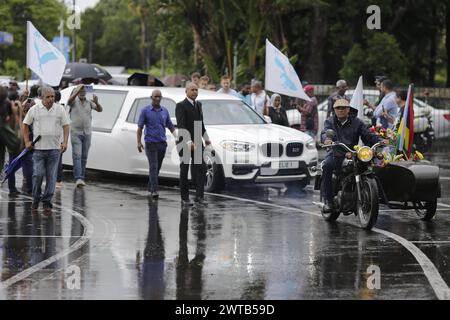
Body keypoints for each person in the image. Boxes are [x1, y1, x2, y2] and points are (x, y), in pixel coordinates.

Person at [320, 99, 383, 213]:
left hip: (353, 153)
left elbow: (367, 135)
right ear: (334, 110)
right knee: (327, 166)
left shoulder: (357, 122)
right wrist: (327, 139)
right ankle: (328, 201)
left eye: (343, 108)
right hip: (336, 153)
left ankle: (370, 193)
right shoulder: (330, 121)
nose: (340, 110)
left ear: (348, 109)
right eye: (338, 108)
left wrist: (380, 140)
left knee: (367, 166)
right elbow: (325, 132)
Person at [23, 86, 70, 213]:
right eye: (48, 97)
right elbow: (25, 124)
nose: (51, 99)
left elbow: (66, 126)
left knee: (51, 177)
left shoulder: (60, 109)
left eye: (52, 97)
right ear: (41, 97)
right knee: (37, 175)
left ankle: (47, 202)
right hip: (38, 149)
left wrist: (65, 142)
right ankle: (36, 198)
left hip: (54, 150)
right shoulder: (34, 109)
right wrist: (27, 141)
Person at [175, 83, 211, 206]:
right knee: (184, 169)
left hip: (197, 140)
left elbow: (200, 124)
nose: (195, 92)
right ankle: (184, 198)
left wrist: (206, 138)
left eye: (196, 90)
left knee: (201, 168)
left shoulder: (199, 105)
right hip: (184, 142)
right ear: (186, 91)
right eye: (192, 90)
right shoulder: (181, 106)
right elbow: (181, 126)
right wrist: (188, 141)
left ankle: (199, 197)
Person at [137, 89, 176, 199]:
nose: (157, 99)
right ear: (151, 97)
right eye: (155, 97)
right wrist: (139, 142)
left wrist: (177, 137)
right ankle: (154, 190)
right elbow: (140, 127)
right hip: (150, 143)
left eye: (159, 97)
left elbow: (170, 125)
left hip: (162, 144)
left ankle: (150, 187)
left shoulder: (164, 111)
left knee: (157, 167)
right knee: (153, 167)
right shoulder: (145, 111)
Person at [67, 84, 103, 187]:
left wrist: (96, 102)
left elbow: (100, 109)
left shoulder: (89, 103)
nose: (82, 93)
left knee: (84, 157)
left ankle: (81, 177)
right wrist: (76, 91)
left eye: (83, 91)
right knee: (77, 156)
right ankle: (78, 178)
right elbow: (69, 101)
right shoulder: (73, 101)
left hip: (87, 132)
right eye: (80, 91)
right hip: (76, 132)